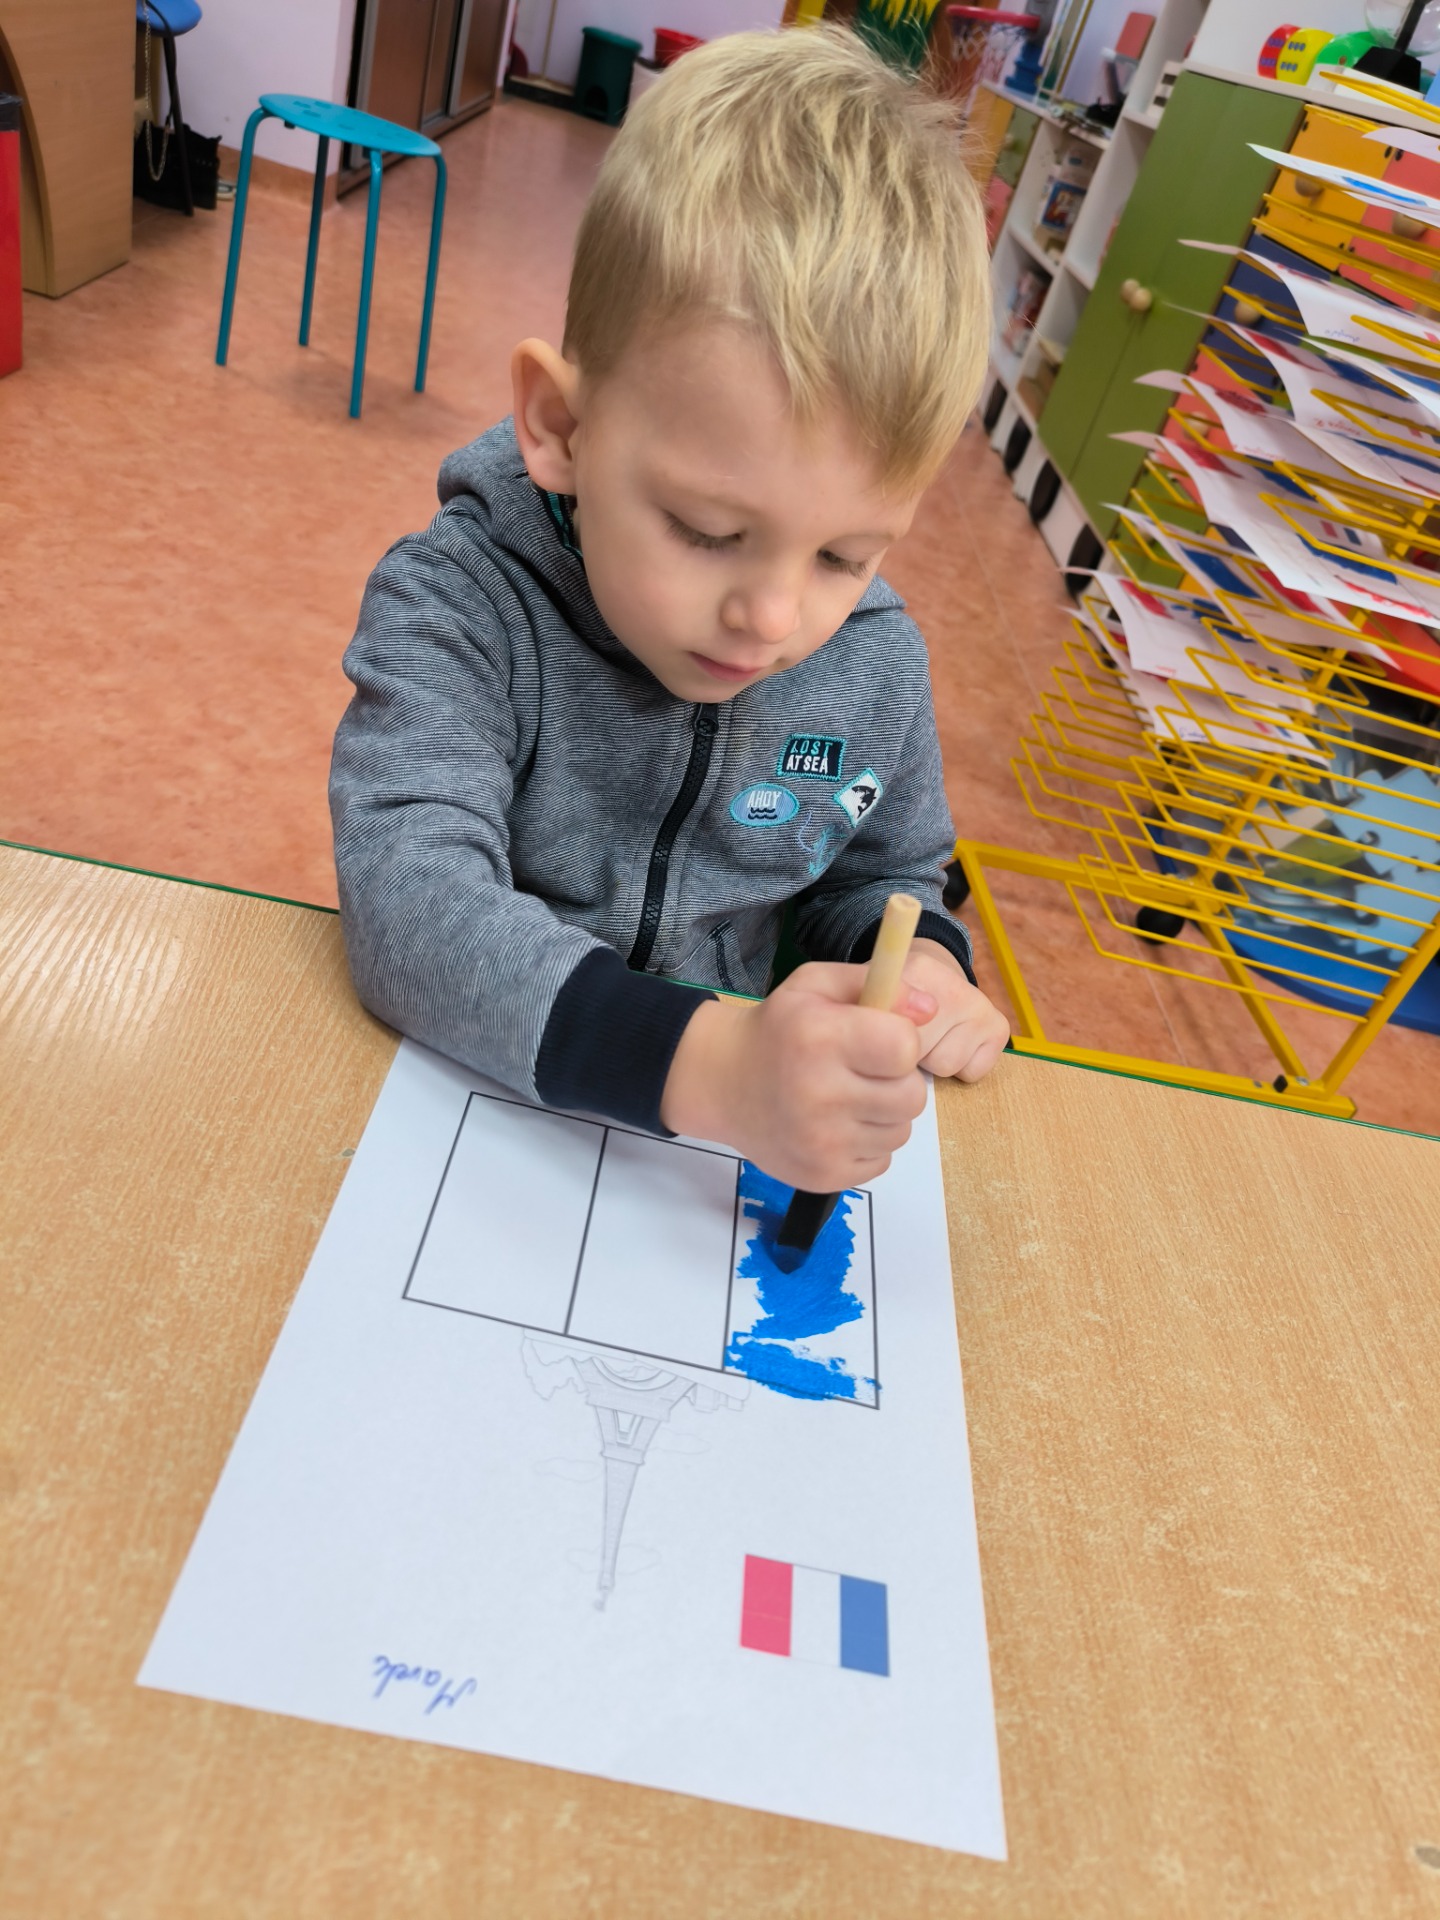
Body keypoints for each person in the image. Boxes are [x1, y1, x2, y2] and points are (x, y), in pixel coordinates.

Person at [330, 25, 1009, 1196]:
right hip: (461, 1110)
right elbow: (409, 903)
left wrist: (918, 964)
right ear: (561, 426)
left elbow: (882, 874)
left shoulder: (876, 664)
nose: (773, 616)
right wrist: (719, 1067)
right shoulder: (458, 603)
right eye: (706, 530)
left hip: (691, 1173)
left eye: (845, 554)